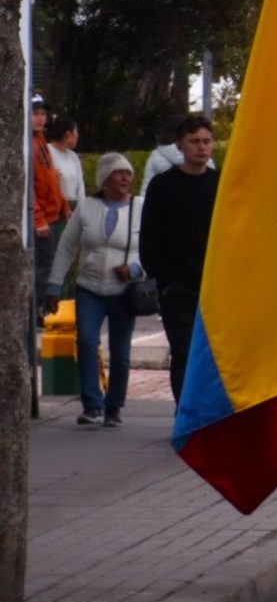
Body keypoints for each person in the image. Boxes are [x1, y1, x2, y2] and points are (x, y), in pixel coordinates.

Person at [52, 153, 145, 426]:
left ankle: (113, 406)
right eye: (118, 173)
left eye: (128, 173)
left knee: (120, 351)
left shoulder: (141, 207)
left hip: (123, 291)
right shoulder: (87, 207)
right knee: (87, 341)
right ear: (104, 179)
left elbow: (152, 248)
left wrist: (136, 269)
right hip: (89, 288)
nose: (125, 178)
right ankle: (91, 405)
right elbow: (67, 247)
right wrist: (54, 285)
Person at [141, 115, 220, 404]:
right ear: (180, 145)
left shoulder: (220, 184)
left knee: (213, 355)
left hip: (215, 285)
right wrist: (164, 281)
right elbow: (149, 237)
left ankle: (209, 414)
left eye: (206, 141)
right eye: (194, 141)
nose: (201, 147)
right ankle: (184, 413)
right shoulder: (163, 186)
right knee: (184, 351)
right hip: (178, 287)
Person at [31, 95, 69, 320]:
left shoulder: (41, 140)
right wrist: (38, 219)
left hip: (52, 215)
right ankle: (41, 313)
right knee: (44, 269)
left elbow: (51, 179)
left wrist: (63, 205)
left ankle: (44, 311)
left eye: (43, 114)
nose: (40, 118)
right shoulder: (27, 143)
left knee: (50, 265)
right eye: (35, 113)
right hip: (41, 219)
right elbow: (28, 186)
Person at [46, 114, 84, 208]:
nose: (77, 135)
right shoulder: (46, 151)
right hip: (53, 207)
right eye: (76, 132)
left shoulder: (73, 157)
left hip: (73, 209)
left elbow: (80, 189)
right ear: (68, 134)